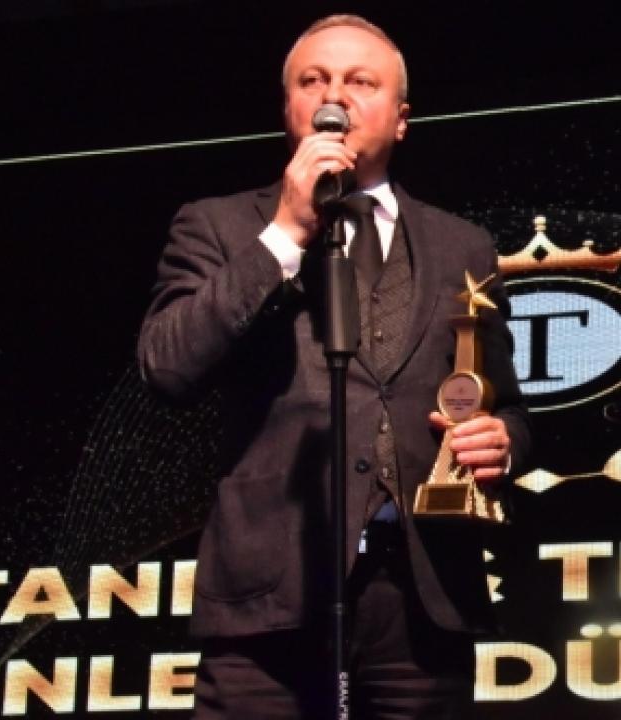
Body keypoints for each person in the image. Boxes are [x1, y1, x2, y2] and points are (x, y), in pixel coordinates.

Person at [137, 14, 531, 718]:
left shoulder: (462, 246)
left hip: (419, 593)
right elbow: (168, 365)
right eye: (312, 81)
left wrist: (503, 442)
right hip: (271, 592)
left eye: (360, 82)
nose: (334, 98)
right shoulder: (218, 225)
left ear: (401, 118)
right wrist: (286, 231)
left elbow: (509, 406)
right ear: (289, 107)